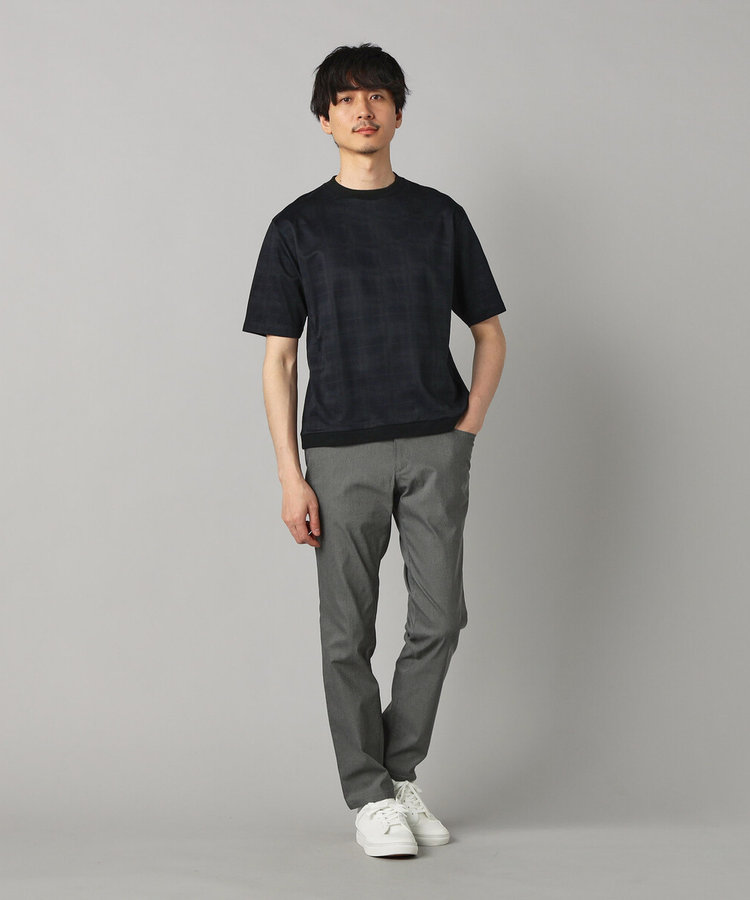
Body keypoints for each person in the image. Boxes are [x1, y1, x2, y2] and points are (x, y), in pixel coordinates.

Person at [242, 42, 507, 858]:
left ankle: (397, 775)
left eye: (379, 96)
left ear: (397, 112)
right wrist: (291, 476)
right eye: (347, 98)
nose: (364, 109)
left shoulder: (439, 217)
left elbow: (490, 334)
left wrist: (465, 432)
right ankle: (370, 796)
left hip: (434, 445)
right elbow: (279, 360)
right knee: (346, 633)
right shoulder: (296, 227)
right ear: (325, 119)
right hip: (339, 453)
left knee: (441, 619)